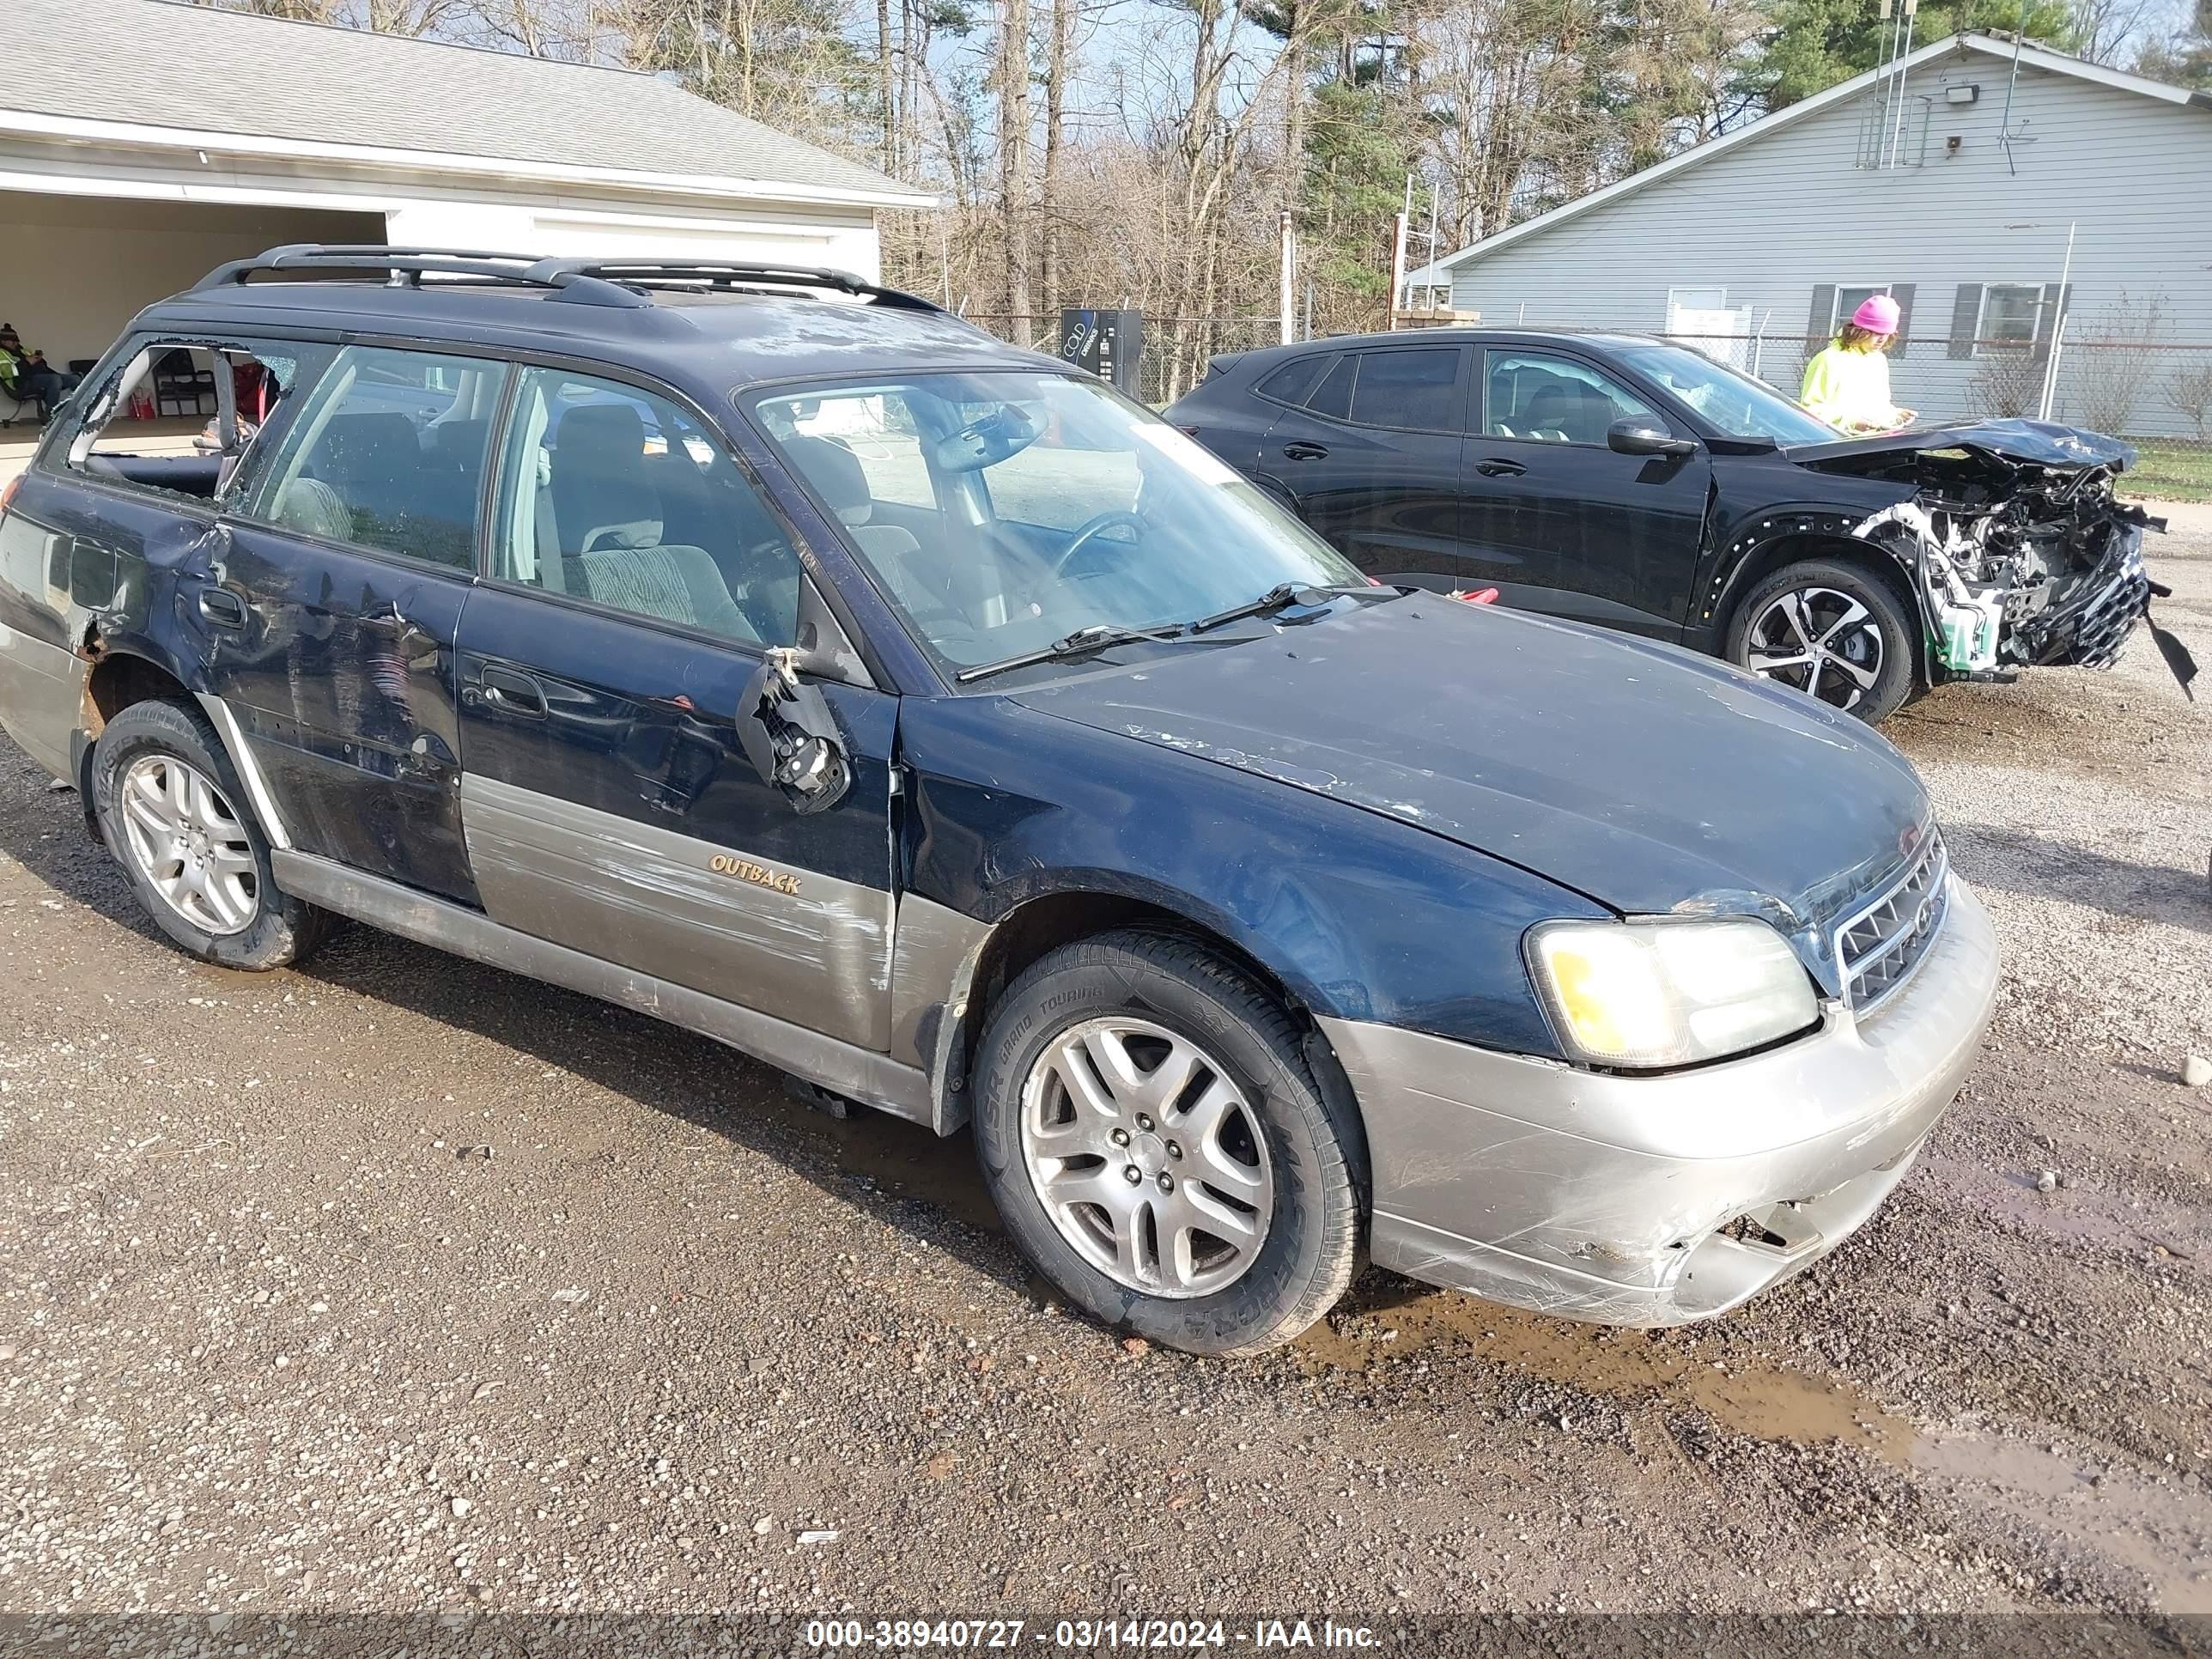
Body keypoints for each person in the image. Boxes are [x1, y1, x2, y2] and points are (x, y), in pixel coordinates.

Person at [1800, 295, 1916, 434]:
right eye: (1876, 332)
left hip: (1873, 443)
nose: (1882, 339)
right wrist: (1851, 422)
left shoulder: (1879, 360)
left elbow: (1876, 406)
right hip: (1835, 444)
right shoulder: (1828, 359)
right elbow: (1810, 410)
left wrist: (1895, 415)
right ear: (1858, 330)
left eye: (1886, 334)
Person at [0, 325, 81, 416]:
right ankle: (51, 415)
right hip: (22, 383)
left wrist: (39, 359)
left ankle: (79, 411)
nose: (15, 343)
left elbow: (42, 366)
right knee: (54, 379)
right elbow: (7, 373)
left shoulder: (24, 351)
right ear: (3, 341)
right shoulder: (1, 354)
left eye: (16, 341)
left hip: (42, 375)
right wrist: (27, 362)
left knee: (75, 379)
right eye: (12, 341)